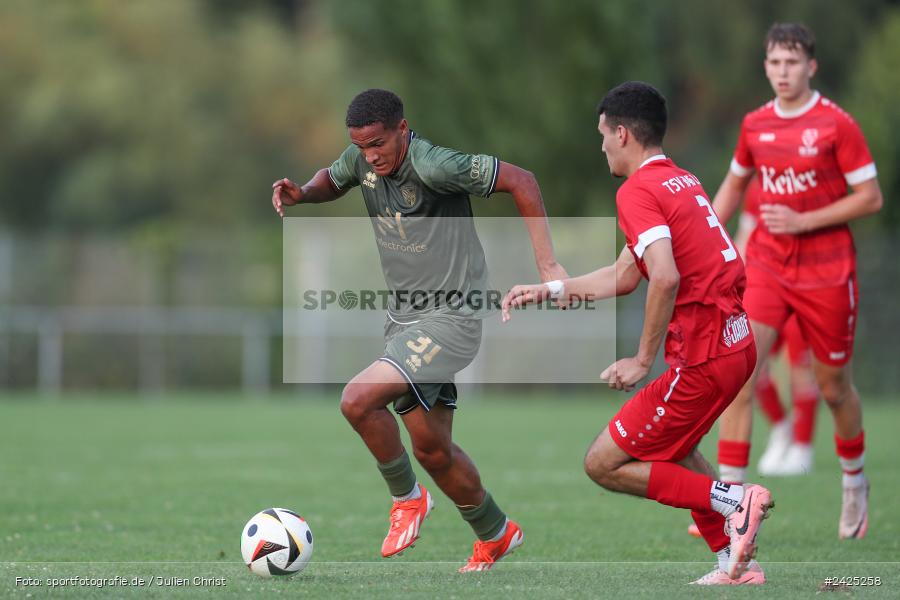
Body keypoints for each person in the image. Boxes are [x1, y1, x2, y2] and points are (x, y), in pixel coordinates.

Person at [272, 88, 568, 572]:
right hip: (405, 321)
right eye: (362, 146)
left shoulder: (433, 164)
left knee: (357, 399)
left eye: (378, 144)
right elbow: (334, 177)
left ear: (402, 129)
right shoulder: (361, 158)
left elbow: (522, 180)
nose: (371, 156)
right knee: (433, 450)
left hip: (453, 319)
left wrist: (548, 264)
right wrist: (303, 193)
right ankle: (496, 533)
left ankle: (408, 499)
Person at [502, 81, 773, 585]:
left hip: (704, 356)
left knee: (603, 463)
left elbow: (664, 277)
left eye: (603, 134)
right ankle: (734, 562)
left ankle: (736, 499)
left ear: (622, 134)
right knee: (676, 449)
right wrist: (551, 289)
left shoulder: (637, 192)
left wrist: (642, 360)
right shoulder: (681, 181)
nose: (601, 145)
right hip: (736, 345)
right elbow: (625, 274)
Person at [711, 23, 882, 539]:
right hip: (767, 266)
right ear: (765, 67)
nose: (782, 72)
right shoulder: (755, 124)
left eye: (792, 62)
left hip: (827, 272)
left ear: (811, 66)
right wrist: (709, 237)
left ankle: (854, 481)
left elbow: (871, 197)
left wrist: (803, 220)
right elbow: (733, 186)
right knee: (739, 375)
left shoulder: (836, 125)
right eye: (774, 62)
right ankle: (732, 506)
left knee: (834, 388)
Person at [736, 181, 820, 476]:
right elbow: (745, 237)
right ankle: (781, 428)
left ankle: (802, 448)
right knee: (750, 369)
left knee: (802, 371)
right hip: (763, 290)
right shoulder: (757, 187)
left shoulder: (808, 181)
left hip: (802, 288)